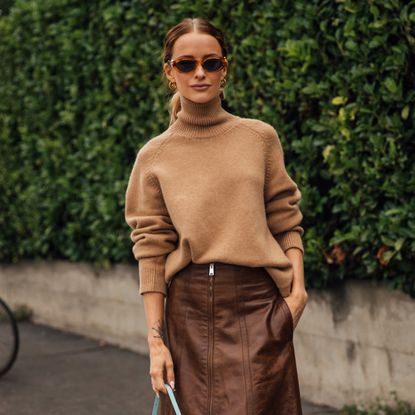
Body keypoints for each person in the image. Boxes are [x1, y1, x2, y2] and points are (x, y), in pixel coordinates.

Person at [125, 17, 308, 415]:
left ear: (224, 69)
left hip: (258, 306)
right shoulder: (154, 156)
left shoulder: (259, 137)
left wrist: (297, 295)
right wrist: (156, 342)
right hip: (187, 314)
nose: (200, 73)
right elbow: (151, 250)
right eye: (187, 64)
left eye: (211, 62)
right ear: (170, 72)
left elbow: (285, 218)